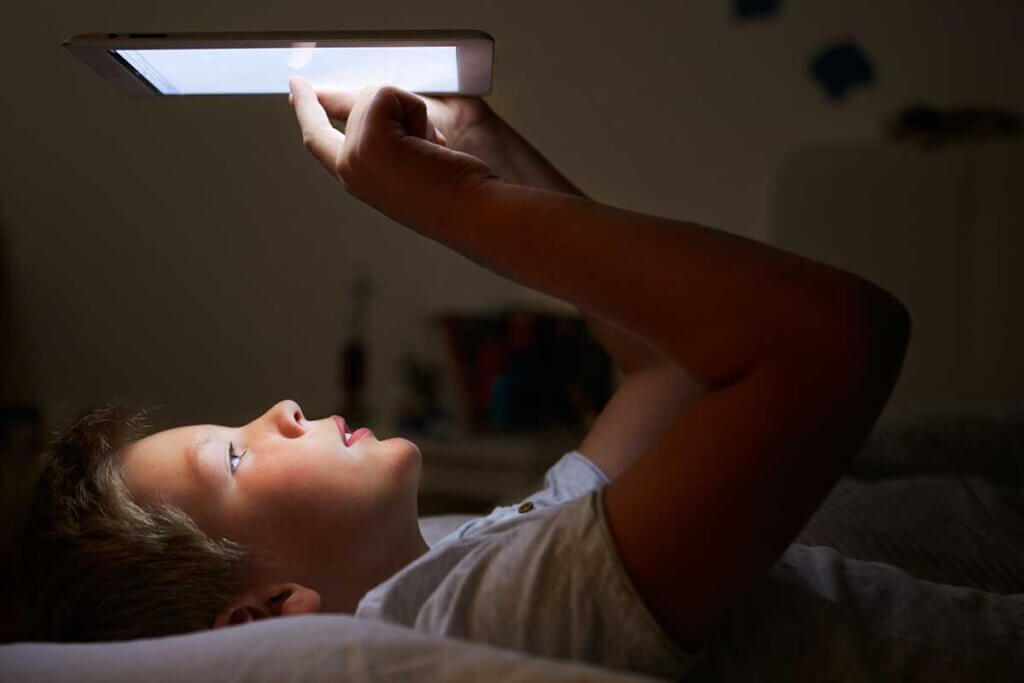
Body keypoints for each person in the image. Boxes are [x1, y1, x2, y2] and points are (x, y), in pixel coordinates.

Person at [11, 76, 912, 679]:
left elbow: (663, 367)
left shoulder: (471, 556)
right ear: (268, 616)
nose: (278, 409)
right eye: (236, 460)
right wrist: (462, 208)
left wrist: (479, 152)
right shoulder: (471, 620)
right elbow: (835, 340)